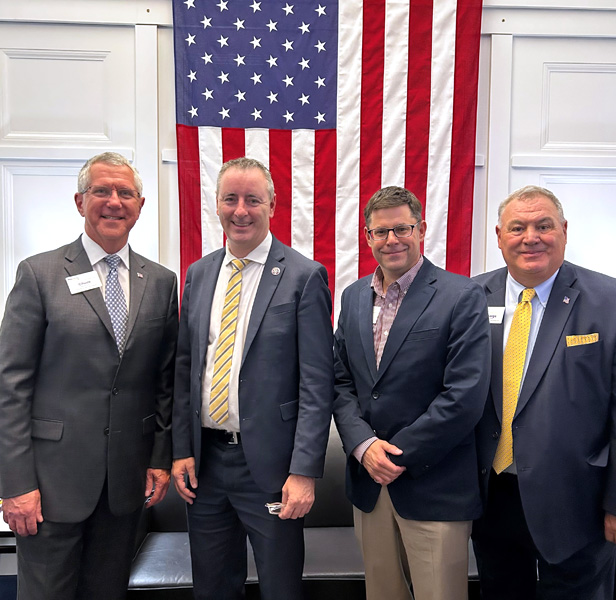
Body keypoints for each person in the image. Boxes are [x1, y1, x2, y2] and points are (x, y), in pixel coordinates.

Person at [0, 152, 178, 599]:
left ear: (140, 204)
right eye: (102, 191)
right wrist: (16, 484)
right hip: (49, 487)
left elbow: (163, 382)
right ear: (80, 201)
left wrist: (157, 456)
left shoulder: (160, 282)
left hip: (124, 485)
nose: (113, 201)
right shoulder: (38, 275)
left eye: (125, 193)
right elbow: (10, 388)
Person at [171, 157, 334, 600]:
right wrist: (182, 449)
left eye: (252, 200)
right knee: (212, 588)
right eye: (230, 199)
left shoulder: (304, 276)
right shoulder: (199, 273)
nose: (240, 210)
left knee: (281, 589)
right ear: (217, 205)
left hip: (272, 469)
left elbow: (317, 385)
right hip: (205, 468)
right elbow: (186, 369)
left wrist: (303, 471)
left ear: (273, 206)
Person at [332, 186, 491, 600]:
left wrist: (396, 455)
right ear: (367, 237)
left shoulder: (462, 296)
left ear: (421, 229)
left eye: (401, 228)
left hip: (433, 484)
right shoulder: (351, 298)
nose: (391, 240)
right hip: (369, 483)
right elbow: (339, 380)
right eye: (380, 232)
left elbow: (465, 395)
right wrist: (364, 446)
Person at [472, 185, 616, 599]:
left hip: (579, 503)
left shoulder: (607, 300)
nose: (530, 237)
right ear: (499, 236)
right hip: (492, 498)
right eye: (517, 227)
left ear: (565, 231)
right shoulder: (467, 298)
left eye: (543, 225)